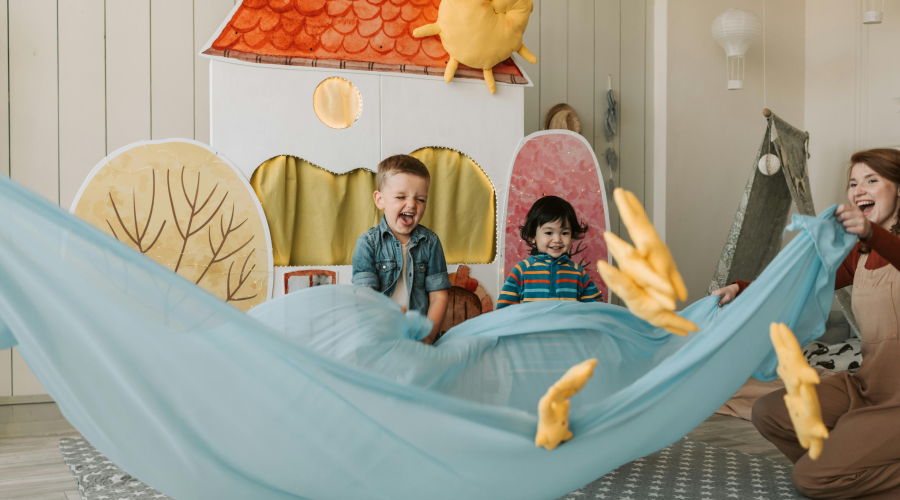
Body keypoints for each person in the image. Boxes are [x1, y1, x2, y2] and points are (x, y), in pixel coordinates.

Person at [712, 148, 900, 499]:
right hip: (867, 386)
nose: (859, 190)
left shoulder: (879, 243)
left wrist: (871, 233)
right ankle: (845, 469)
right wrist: (741, 289)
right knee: (770, 412)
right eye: (853, 183)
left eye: (872, 180)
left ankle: (831, 473)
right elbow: (800, 284)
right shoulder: (860, 255)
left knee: (811, 479)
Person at [351, 155, 450, 344]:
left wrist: (428, 336)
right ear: (380, 200)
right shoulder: (368, 243)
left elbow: (438, 297)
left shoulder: (431, 242)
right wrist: (387, 319)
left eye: (420, 199)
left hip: (418, 338)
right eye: (400, 197)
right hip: (379, 338)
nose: (412, 204)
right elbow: (365, 297)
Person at [498, 196, 602, 308]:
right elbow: (504, 312)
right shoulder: (521, 271)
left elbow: (596, 308)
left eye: (565, 233)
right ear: (532, 236)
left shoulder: (578, 272)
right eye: (549, 233)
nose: (557, 240)